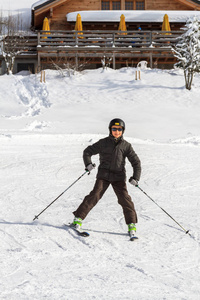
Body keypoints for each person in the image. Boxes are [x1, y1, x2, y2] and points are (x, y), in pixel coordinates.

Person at [71, 118, 141, 237]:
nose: (117, 131)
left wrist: (136, 177)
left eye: (119, 129)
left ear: (123, 131)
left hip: (118, 177)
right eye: (114, 129)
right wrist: (88, 164)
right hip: (104, 175)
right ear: (110, 130)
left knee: (125, 199)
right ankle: (78, 218)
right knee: (95, 195)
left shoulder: (126, 146)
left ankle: (132, 224)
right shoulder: (103, 143)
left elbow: (136, 162)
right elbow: (87, 152)